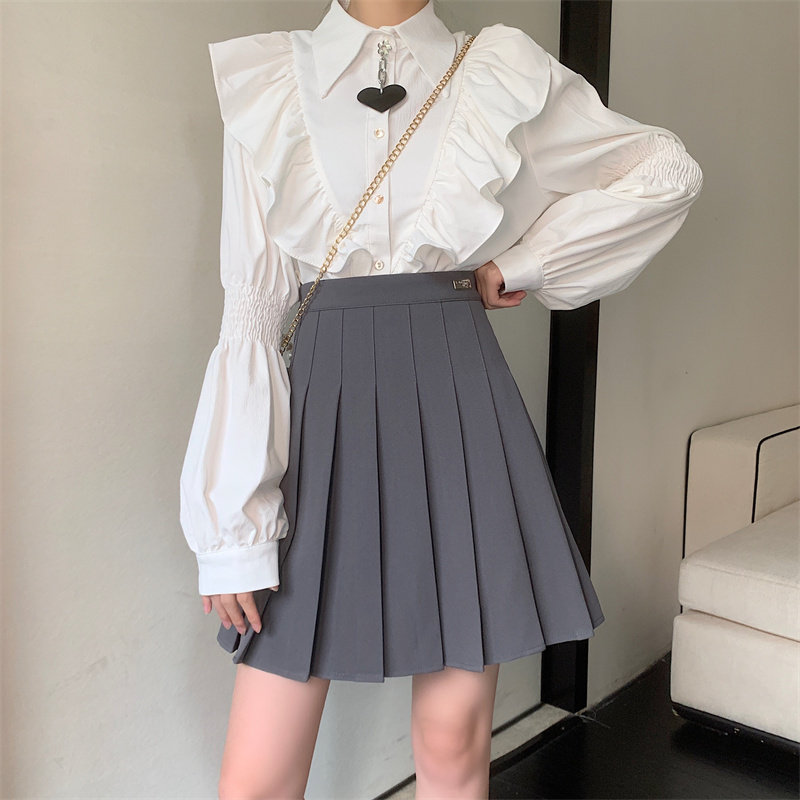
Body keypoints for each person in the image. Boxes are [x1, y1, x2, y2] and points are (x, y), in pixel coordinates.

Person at [179, 0, 704, 796]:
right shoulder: (274, 77)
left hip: (459, 403)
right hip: (322, 411)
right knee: (256, 775)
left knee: (454, 742)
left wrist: (521, 262)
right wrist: (231, 529)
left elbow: (664, 170)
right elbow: (252, 307)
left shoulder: (497, 70)